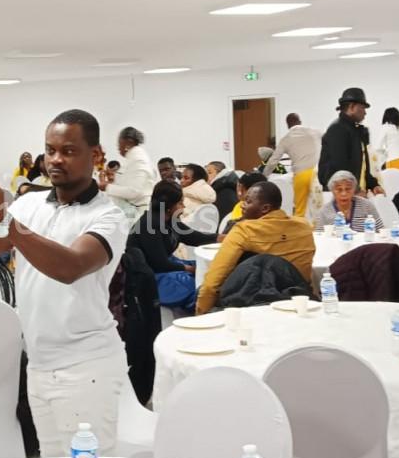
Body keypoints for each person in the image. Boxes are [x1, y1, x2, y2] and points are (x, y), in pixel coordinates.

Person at [0, 109, 129, 457]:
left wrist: (6, 220)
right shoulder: (30, 203)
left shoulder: (109, 215)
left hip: (87, 366)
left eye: (68, 151)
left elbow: (71, 266)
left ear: (95, 155)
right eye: (50, 150)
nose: (55, 159)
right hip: (39, 365)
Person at [197, 182, 315, 314]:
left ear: (265, 208)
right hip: (300, 302)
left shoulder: (244, 230)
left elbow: (212, 283)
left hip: (253, 306)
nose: (242, 204)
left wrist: (201, 314)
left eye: (248, 201)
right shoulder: (304, 226)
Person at [128, 181, 218, 311]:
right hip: (153, 277)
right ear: (169, 206)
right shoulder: (149, 225)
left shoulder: (170, 220)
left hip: (167, 266)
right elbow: (160, 264)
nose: (184, 206)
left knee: (208, 271)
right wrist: (191, 269)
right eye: (180, 202)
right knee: (202, 287)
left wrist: (220, 238)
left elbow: (193, 237)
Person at [318, 87, 381, 195]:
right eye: (362, 107)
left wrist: (373, 184)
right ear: (351, 107)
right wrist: (355, 190)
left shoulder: (355, 131)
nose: (365, 112)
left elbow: (362, 166)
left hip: (351, 193)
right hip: (340, 196)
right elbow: (339, 168)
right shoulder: (337, 129)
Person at [261, 112, 324, 218]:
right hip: (316, 174)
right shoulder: (314, 131)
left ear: (287, 125)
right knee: (318, 207)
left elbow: (273, 160)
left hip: (300, 175)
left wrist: (263, 176)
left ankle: (299, 231)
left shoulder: (286, 139)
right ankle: (318, 231)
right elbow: (328, 139)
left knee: (300, 210)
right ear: (300, 122)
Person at [101, 126, 157, 220]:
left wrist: (107, 187)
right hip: (132, 210)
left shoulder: (138, 158)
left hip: (139, 214)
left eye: (119, 143)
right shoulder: (133, 157)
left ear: (128, 141)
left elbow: (133, 191)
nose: (118, 147)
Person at [314, 170, 383, 231]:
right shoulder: (324, 212)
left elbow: (381, 230)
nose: (344, 193)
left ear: (354, 189)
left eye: (348, 189)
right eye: (339, 189)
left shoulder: (367, 206)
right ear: (332, 191)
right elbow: (318, 237)